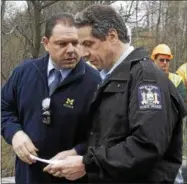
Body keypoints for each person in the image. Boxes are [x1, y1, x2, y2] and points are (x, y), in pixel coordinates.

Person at [44, 4, 186, 183]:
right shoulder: (111, 77)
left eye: (88, 44)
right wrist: (77, 153)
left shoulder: (146, 80)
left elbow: (146, 146)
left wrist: (87, 163)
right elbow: (111, 138)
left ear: (112, 36)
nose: (83, 54)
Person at [1, 13, 101, 184]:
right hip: (28, 176)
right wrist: (15, 133)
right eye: (62, 44)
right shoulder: (24, 73)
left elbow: (102, 133)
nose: (71, 50)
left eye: (76, 43)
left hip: (71, 177)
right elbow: (4, 109)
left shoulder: (94, 82)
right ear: (46, 43)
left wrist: (77, 152)